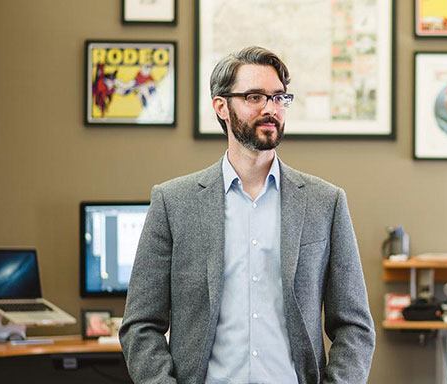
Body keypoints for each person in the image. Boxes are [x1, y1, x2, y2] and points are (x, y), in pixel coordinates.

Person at [120, 46, 375, 384]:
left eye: (279, 98)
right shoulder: (173, 203)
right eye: (255, 97)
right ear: (221, 106)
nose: (271, 109)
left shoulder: (325, 203)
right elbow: (140, 324)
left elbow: (355, 326)